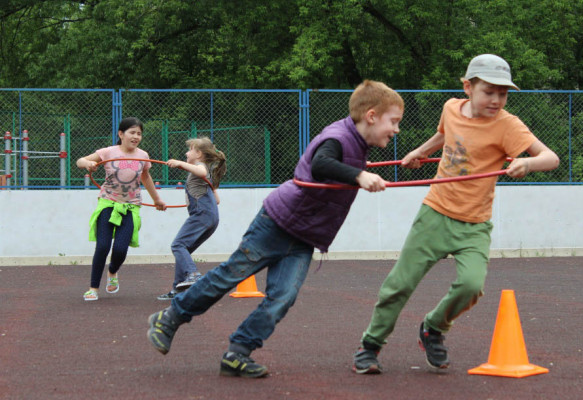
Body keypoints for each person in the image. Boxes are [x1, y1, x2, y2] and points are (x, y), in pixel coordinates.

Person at [146, 80, 404, 378]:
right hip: (277, 224)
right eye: (394, 122)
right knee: (230, 275)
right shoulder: (337, 137)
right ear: (371, 116)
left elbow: (337, 165)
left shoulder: (356, 143)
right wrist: (359, 175)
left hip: (304, 236)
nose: (396, 129)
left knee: (282, 297)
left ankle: (237, 353)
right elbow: (321, 165)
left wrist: (366, 167)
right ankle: (170, 317)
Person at [352, 54, 560, 374]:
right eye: (488, 91)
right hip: (435, 212)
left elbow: (551, 158)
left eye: (502, 94)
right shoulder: (451, 108)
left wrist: (527, 163)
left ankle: (433, 328)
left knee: (471, 285)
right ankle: (370, 346)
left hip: (474, 224)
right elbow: (444, 135)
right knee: (400, 283)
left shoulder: (508, 125)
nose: (496, 100)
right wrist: (421, 152)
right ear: (468, 87)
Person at [76, 117, 166, 301]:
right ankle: (93, 288)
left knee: (120, 249)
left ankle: (112, 271)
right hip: (108, 203)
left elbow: (146, 178)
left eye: (139, 133)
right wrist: (87, 164)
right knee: (102, 246)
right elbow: (80, 161)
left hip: (131, 206)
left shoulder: (143, 155)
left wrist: (157, 199)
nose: (136, 137)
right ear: (121, 134)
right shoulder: (108, 152)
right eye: (132, 132)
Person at [157, 137, 227, 301]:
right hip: (211, 217)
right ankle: (178, 288)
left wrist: (179, 163)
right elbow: (216, 200)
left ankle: (194, 275)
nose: (186, 153)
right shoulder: (205, 172)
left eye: (190, 150)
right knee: (184, 249)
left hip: (202, 214)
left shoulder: (201, 167)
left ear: (199, 154)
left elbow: (201, 171)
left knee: (178, 244)